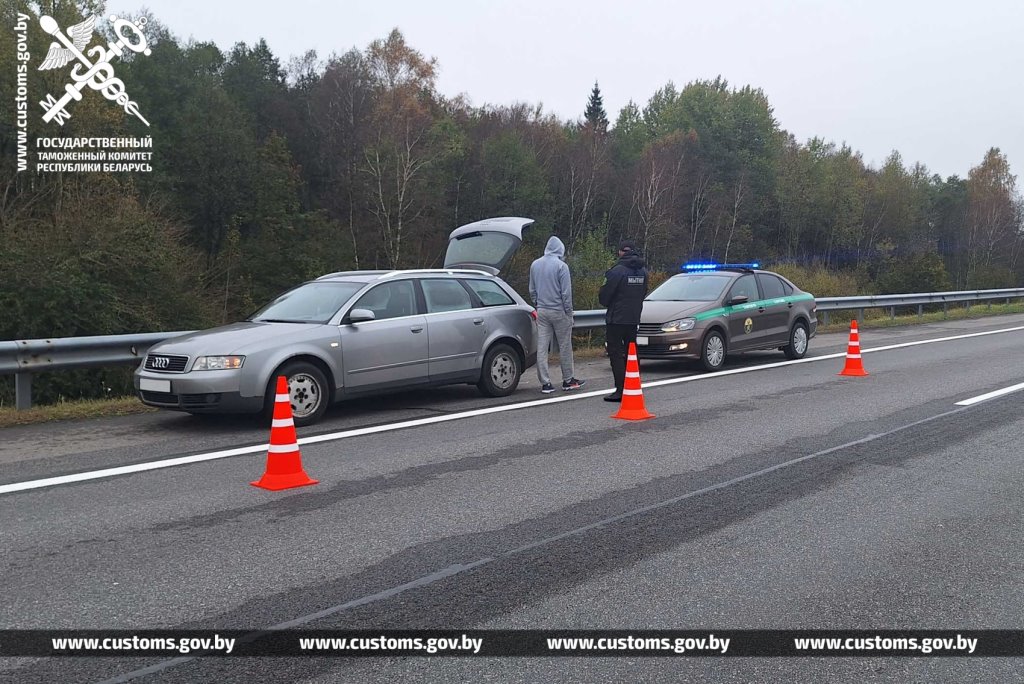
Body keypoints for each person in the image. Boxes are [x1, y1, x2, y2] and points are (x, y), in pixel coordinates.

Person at [529, 236, 586, 394]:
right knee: (565, 346)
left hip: (542, 310)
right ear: (560, 250)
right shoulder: (561, 266)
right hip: (559, 311)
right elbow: (566, 293)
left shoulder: (535, 265)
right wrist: (569, 312)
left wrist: (538, 303)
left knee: (542, 348)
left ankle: (545, 383)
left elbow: (532, 290)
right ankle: (568, 380)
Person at [598, 239, 649, 402]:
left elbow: (604, 297)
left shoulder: (616, 271)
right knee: (632, 352)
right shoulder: (643, 272)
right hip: (633, 318)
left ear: (621, 252)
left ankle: (620, 389)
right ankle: (633, 384)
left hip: (616, 319)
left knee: (615, 353)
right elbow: (643, 293)